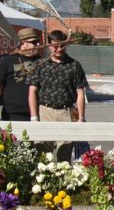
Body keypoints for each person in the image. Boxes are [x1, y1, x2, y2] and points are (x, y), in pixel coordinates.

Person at [27, 30, 88, 162]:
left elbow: (80, 93)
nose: (59, 49)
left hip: (66, 113)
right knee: (43, 155)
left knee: (64, 156)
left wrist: (81, 118)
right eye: (55, 46)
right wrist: (34, 117)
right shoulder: (40, 65)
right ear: (48, 45)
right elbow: (32, 91)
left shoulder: (74, 65)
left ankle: (63, 182)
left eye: (62, 46)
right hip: (45, 112)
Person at [0, 28, 45, 121]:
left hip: (39, 112)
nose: (38, 44)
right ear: (24, 43)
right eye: (34, 42)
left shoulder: (43, 62)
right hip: (12, 113)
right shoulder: (7, 61)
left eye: (38, 41)